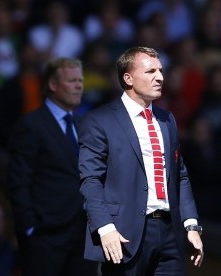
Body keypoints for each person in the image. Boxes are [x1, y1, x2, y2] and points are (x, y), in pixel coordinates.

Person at [79, 46, 204, 275]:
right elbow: (90, 180)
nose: (160, 77)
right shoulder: (99, 121)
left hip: (170, 233)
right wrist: (105, 228)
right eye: (150, 71)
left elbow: (179, 174)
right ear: (128, 78)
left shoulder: (167, 119)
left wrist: (191, 225)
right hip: (123, 234)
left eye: (161, 70)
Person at [6, 57, 97, 276]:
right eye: (72, 80)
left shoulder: (82, 125)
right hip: (46, 235)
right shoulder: (31, 125)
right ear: (53, 85)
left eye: (80, 80)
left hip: (83, 235)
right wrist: (29, 227)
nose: (79, 86)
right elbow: (18, 180)